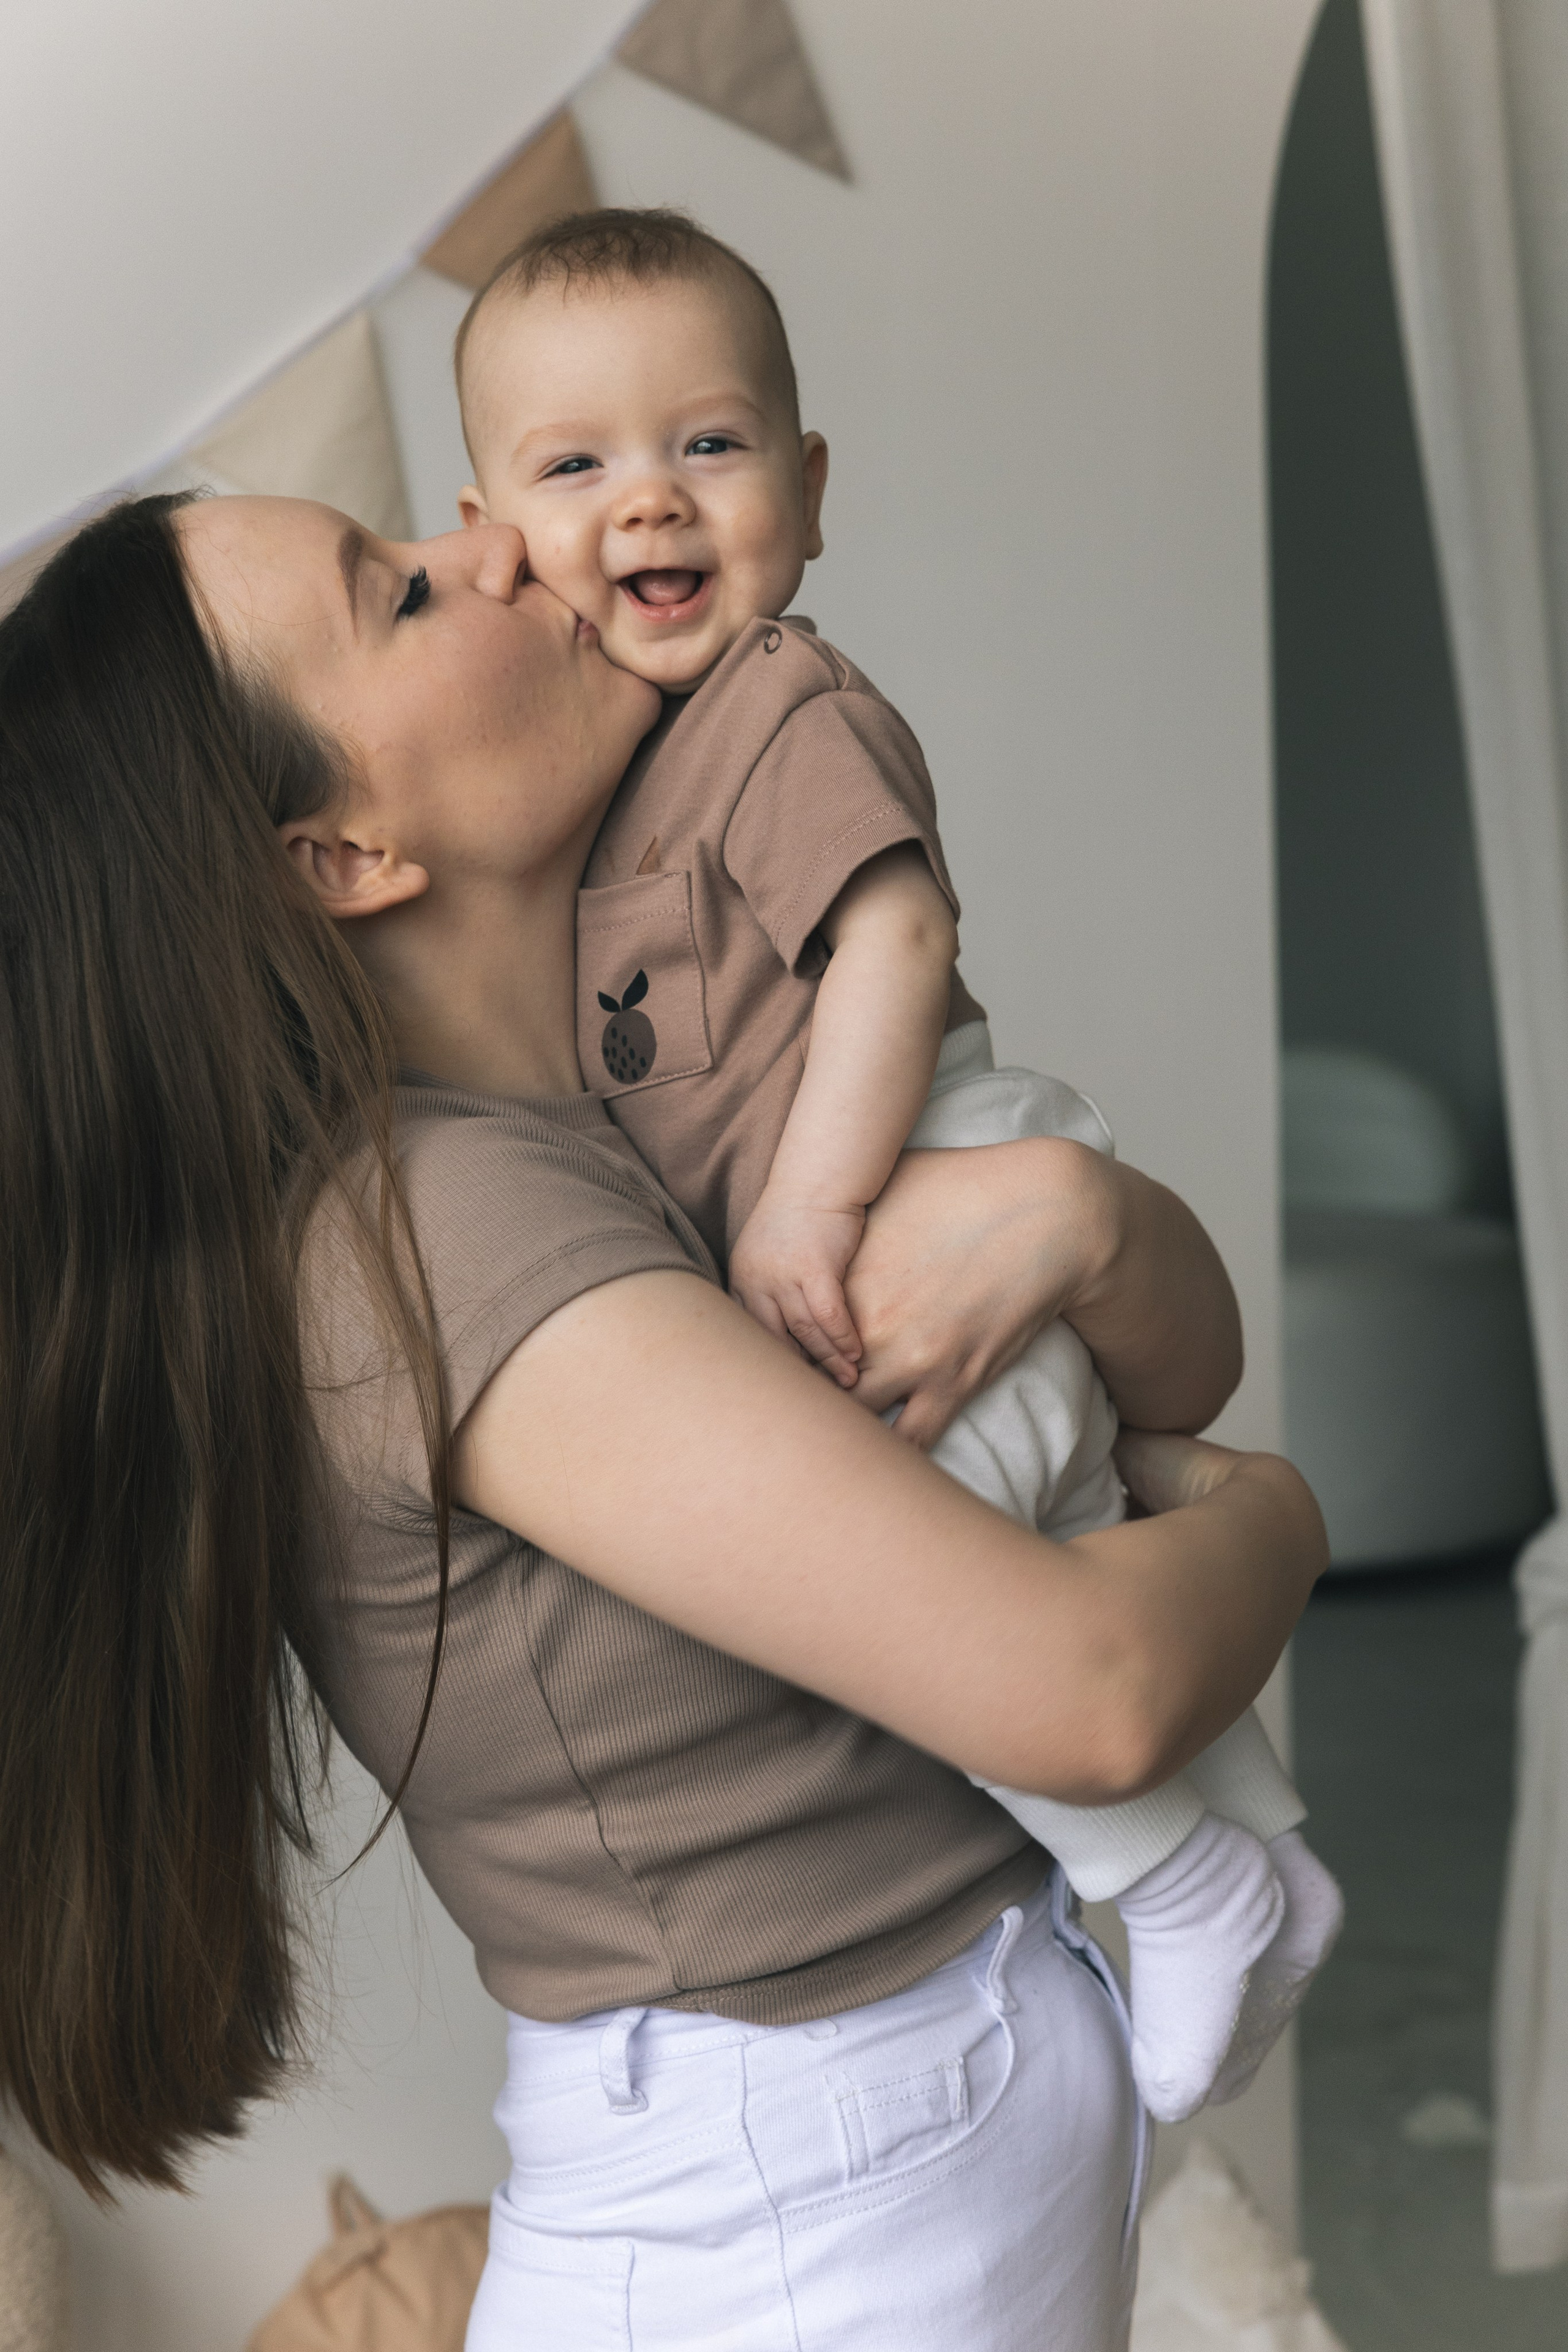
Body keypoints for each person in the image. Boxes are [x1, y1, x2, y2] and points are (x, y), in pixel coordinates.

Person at [0, 491, 1324, 2351]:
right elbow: (1096, 1696)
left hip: (876, 2175)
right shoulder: (437, 1241)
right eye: (400, 593)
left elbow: (1158, 1384)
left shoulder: (653, 1111)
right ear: (346, 853)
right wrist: (1282, 1519)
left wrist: (1073, 1219)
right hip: (792, 2230)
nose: (491, 544)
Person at [453, 206, 1343, 2124]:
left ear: (809, 489)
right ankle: (1266, 1852)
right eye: (575, 466)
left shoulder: (780, 703)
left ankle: (1178, 1884)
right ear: (493, 534)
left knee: (917, 1576)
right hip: (888, 1205)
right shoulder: (613, 771)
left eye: (709, 443)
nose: (651, 501)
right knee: (1047, 1544)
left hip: (922, 1169)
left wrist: (810, 1204)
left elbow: (899, 937)